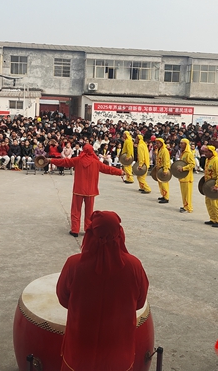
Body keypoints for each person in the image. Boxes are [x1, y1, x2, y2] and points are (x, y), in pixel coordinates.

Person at [56, 211, 149, 371]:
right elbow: (139, 302)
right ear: (120, 234)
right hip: (119, 349)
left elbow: (63, 298)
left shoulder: (74, 265)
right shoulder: (134, 266)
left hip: (80, 349)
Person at [49, 144, 123, 237]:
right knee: (89, 211)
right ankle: (88, 229)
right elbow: (108, 169)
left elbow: (64, 162)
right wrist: (120, 172)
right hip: (91, 191)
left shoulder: (77, 160)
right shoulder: (96, 162)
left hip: (78, 190)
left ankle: (75, 230)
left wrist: (51, 160)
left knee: (76, 210)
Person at [203, 145, 218, 227]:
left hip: (216, 186)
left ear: (211, 152)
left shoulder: (216, 161)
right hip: (209, 186)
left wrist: (217, 185)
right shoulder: (207, 160)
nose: (205, 153)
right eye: (204, 152)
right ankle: (213, 219)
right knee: (208, 202)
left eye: (206, 152)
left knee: (216, 203)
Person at [177, 138, 195, 213]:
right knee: (184, 193)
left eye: (182, 143)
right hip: (183, 177)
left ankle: (188, 207)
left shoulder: (189, 154)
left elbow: (192, 164)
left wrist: (184, 168)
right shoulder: (183, 153)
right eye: (180, 143)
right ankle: (185, 205)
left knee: (187, 193)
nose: (180, 145)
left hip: (187, 177)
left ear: (186, 144)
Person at [154, 138, 170, 203]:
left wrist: (165, 170)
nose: (156, 144)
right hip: (159, 169)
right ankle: (163, 195)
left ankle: (166, 197)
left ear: (161, 143)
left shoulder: (164, 150)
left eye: (158, 143)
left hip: (163, 169)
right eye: (156, 143)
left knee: (164, 184)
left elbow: (166, 161)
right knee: (160, 183)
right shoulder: (159, 150)